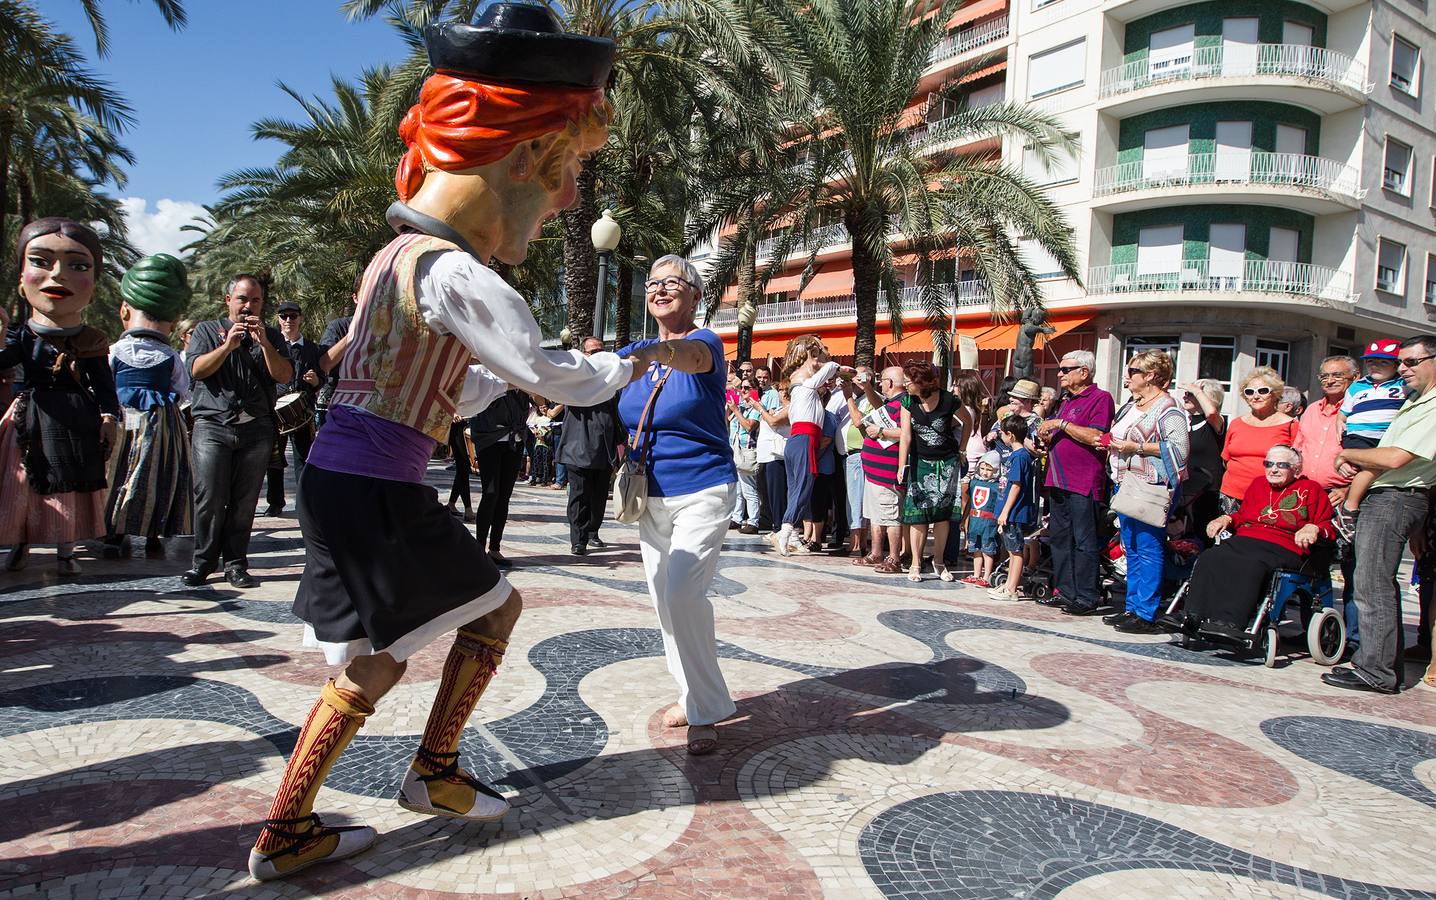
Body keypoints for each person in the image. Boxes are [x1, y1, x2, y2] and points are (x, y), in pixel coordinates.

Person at [247, 8, 686, 880]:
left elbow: (456, 377)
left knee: (376, 658)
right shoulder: (454, 271)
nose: (566, 199)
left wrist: (521, 380)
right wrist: (632, 363)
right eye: (565, 173)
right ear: (522, 157)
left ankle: (290, 826)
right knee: (491, 611)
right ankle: (431, 772)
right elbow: (537, 369)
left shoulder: (396, 258)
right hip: (375, 483)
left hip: (345, 476)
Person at [616, 255, 738, 756]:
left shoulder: (703, 343)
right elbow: (588, 383)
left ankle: (705, 711)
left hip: (704, 489)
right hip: (652, 496)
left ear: (694, 295)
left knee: (684, 592)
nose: (661, 290)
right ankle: (693, 696)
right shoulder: (633, 356)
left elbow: (686, 357)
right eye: (653, 284)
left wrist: (646, 356)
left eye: (673, 283)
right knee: (666, 601)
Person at [0, 218, 120, 575]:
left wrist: (109, 417)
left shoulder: (93, 340)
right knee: (23, 483)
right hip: (30, 418)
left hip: (77, 419)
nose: (59, 275)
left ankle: (66, 550)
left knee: (71, 487)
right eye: (40, 261)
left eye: (78, 265)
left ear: (93, 285)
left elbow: (104, 384)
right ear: (21, 279)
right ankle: (20, 543)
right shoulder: (22, 337)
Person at [1323, 336, 1436, 694]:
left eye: (1411, 362)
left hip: (1396, 497)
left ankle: (1376, 671)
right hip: (1392, 495)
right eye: (1401, 362)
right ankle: (1381, 663)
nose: (1403, 369)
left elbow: (1395, 457)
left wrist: (1348, 456)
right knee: (1373, 581)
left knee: (1372, 583)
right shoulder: (1415, 400)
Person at [183, 275, 293, 588]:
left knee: (245, 502)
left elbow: (285, 374)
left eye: (255, 300)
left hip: (256, 428)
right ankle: (202, 563)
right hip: (213, 425)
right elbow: (197, 370)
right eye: (242, 299)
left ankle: (235, 564)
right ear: (228, 300)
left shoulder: (271, 335)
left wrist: (266, 345)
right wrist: (228, 345)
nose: (248, 306)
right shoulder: (207, 330)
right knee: (210, 497)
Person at [1165, 444, 1335, 640]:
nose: (1274, 469)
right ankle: (1192, 616)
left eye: (1282, 465)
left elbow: (1326, 526)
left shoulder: (1310, 489)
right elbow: (1243, 516)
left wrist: (1312, 528)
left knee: (1250, 565)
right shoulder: (1258, 484)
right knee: (1210, 557)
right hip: (1247, 539)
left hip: (1284, 545)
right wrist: (1226, 519)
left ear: (1296, 469)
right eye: (1269, 463)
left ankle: (1230, 623)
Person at [102, 253, 193, 560]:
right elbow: (182, 392)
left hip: (123, 421)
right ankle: (153, 532)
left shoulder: (115, 351)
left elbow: (102, 386)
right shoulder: (169, 356)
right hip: (161, 425)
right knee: (159, 475)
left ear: (125, 310)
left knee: (120, 473)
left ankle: (115, 532)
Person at [1101, 349, 1189, 633]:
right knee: (1132, 548)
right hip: (1125, 483)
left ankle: (1146, 611)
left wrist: (1136, 447)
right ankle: (1132, 606)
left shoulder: (1168, 409)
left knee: (1149, 548)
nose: (1128, 376)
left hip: (1151, 486)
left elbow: (1179, 451)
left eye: (1133, 371)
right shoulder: (1131, 405)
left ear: (1150, 376)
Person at [1035, 351, 1116, 615]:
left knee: (1084, 540)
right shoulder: (1066, 400)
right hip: (1058, 480)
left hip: (1083, 481)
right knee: (1060, 538)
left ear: (1084, 371)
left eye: (1066, 369)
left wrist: (1061, 423)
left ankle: (1087, 596)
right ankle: (1065, 591)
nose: (1060, 374)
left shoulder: (1100, 398)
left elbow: (1096, 436)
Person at [1294, 355, 1359, 652]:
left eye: (1337, 375)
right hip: (1310, 496)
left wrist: (1349, 490)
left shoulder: (1360, 408)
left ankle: (1354, 639)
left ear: (1354, 377)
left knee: (1351, 569)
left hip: (1344, 495)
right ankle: (1313, 632)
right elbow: (1298, 450)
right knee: (1311, 564)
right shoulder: (1310, 411)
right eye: (1324, 376)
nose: (1329, 380)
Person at [772, 334, 850, 556]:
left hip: (799, 441)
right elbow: (829, 368)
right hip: (804, 440)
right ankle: (786, 529)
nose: (818, 361)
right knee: (804, 486)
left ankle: (793, 535)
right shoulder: (805, 387)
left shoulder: (805, 391)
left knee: (797, 489)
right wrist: (830, 361)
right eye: (814, 356)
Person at [895, 360, 971, 583]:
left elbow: (968, 421)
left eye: (909, 381)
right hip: (920, 462)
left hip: (947, 462)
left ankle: (939, 562)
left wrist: (962, 448)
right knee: (918, 515)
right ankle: (916, 563)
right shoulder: (908, 401)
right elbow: (905, 435)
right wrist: (902, 465)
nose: (906, 384)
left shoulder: (949, 400)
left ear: (922, 382)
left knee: (942, 516)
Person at [1333, 340, 1407, 538]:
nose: (1375, 366)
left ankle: (1348, 504)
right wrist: (1340, 421)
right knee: (1373, 467)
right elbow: (1344, 411)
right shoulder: (1357, 387)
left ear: (1397, 365)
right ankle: (1350, 509)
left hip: (1384, 437)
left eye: (1383, 362)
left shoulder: (1403, 385)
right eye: (1371, 361)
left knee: (1371, 469)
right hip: (1359, 436)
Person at [560, 335, 624, 554]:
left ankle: (592, 532)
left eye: (602, 350)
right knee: (579, 494)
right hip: (577, 446)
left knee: (598, 496)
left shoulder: (612, 380)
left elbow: (618, 413)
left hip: (604, 448)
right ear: (584, 355)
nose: (599, 355)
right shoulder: (574, 379)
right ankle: (578, 539)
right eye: (594, 352)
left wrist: (623, 440)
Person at [265, 301, 322, 516]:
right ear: (279, 319)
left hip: (302, 411)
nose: (289, 320)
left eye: (293, 316)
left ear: (300, 318)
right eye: (284, 316)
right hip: (276, 410)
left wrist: (316, 380)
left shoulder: (311, 348)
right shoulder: (273, 345)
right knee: (275, 458)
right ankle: (275, 502)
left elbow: (322, 377)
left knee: (303, 458)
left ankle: (303, 502)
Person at [850, 365, 905, 573]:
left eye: (882, 380)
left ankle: (894, 558)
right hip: (874, 471)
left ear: (890, 383)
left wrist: (881, 430)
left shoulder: (904, 404)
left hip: (887, 473)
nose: (880, 384)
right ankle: (875, 553)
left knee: (890, 516)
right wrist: (865, 388)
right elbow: (877, 403)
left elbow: (906, 432)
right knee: (875, 514)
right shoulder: (890, 402)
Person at [1219, 366, 1298, 513]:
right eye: (1249, 392)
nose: (1255, 396)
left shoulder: (1290, 425)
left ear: (1275, 394)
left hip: (1270, 497)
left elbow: (1298, 466)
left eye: (1263, 391)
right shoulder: (1236, 423)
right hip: (1231, 495)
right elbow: (1226, 460)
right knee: (1229, 536)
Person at [470, 387, 530, 567]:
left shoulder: (523, 374)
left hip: (515, 439)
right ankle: (479, 548)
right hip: (490, 438)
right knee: (490, 493)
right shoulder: (491, 372)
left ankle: (495, 548)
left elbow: (540, 400)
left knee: (504, 496)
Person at [992, 416, 1037, 600]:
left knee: (1015, 551)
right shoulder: (1019, 456)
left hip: (1015, 512)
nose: (1001, 436)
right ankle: (1009, 584)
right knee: (1012, 549)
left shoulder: (1020, 457)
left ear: (1010, 435)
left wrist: (1005, 511)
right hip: (1011, 511)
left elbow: (1016, 485)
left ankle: (1012, 589)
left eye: (1002, 433)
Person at [1176, 378, 1226, 535]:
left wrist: (1197, 390)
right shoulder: (1184, 423)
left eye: (1190, 394)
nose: (1185, 396)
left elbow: (1211, 413)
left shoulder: (1216, 422)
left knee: (1202, 538)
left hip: (1207, 493)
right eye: (1186, 393)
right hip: (1184, 491)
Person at [727, 371, 762, 533]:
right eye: (741, 388)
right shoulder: (740, 406)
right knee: (738, 488)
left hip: (748, 449)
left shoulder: (756, 407)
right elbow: (726, 421)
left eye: (747, 388)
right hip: (735, 449)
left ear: (755, 390)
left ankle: (754, 521)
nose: (743, 391)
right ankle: (737, 517)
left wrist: (735, 410)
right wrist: (730, 407)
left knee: (749, 488)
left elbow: (749, 426)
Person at [754, 365, 787, 532]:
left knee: (776, 493)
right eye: (758, 377)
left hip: (775, 453)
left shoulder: (773, 397)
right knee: (765, 490)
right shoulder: (760, 394)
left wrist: (760, 409)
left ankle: (778, 526)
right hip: (764, 452)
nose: (762, 380)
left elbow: (772, 421)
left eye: (765, 377)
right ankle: (772, 522)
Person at [962, 451, 1002, 587]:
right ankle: (976, 574)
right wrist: (964, 519)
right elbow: (970, 503)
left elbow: (1000, 505)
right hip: (975, 521)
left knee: (987, 550)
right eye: (983, 468)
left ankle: (986, 576)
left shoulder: (997, 487)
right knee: (975, 550)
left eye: (989, 470)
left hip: (988, 523)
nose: (985, 472)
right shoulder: (974, 482)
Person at [444, 415, 474, 521]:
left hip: (471, 423)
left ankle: (451, 504)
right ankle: (468, 508)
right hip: (457, 424)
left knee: (463, 467)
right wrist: (453, 412)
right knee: (463, 465)